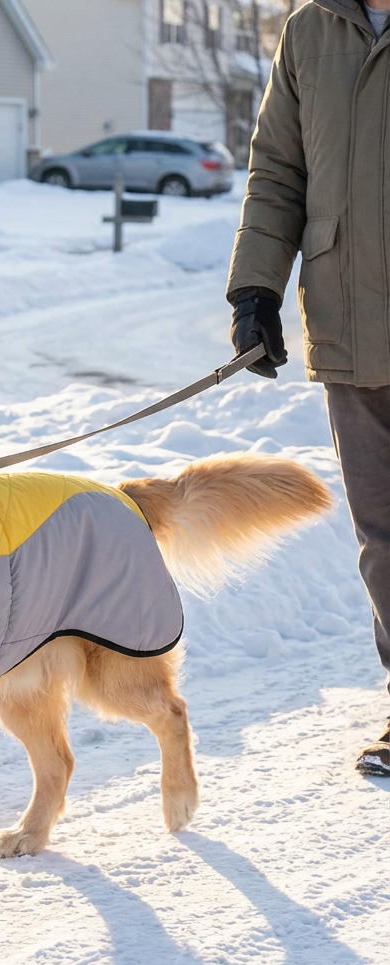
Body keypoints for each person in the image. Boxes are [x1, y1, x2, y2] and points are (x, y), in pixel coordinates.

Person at [227, 0, 390, 775]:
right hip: (352, 325)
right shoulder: (307, 30)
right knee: (384, 537)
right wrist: (255, 292)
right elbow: (278, 170)